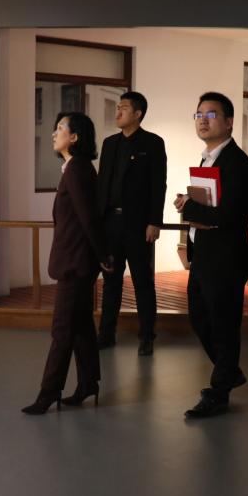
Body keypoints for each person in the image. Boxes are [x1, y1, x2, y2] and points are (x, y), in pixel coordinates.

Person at [22, 112, 113, 415]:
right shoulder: (76, 168)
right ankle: (88, 383)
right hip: (78, 261)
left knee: (62, 329)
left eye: (60, 128)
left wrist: (103, 255)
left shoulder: (76, 169)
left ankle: (49, 393)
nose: (54, 133)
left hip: (75, 264)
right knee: (81, 326)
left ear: (74, 137)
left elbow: (89, 218)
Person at [173, 92, 248, 419]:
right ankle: (229, 371)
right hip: (205, 254)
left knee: (224, 325)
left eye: (211, 114)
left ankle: (219, 392)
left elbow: (231, 214)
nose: (203, 121)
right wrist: (191, 204)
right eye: (198, 115)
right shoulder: (208, 158)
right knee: (199, 316)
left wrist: (190, 207)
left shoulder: (236, 161)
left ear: (229, 122)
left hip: (225, 257)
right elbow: (212, 206)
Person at [95, 91, 167, 356]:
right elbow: (103, 184)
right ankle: (106, 334)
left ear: (138, 114)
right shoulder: (110, 143)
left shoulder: (153, 143)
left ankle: (147, 336)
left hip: (138, 224)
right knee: (110, 281)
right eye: (118, 107)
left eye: (123, 108)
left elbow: (158, 184)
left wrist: (154, 221)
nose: (118, 112)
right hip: (110, 222)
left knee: (142, 282)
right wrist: (98, 222)